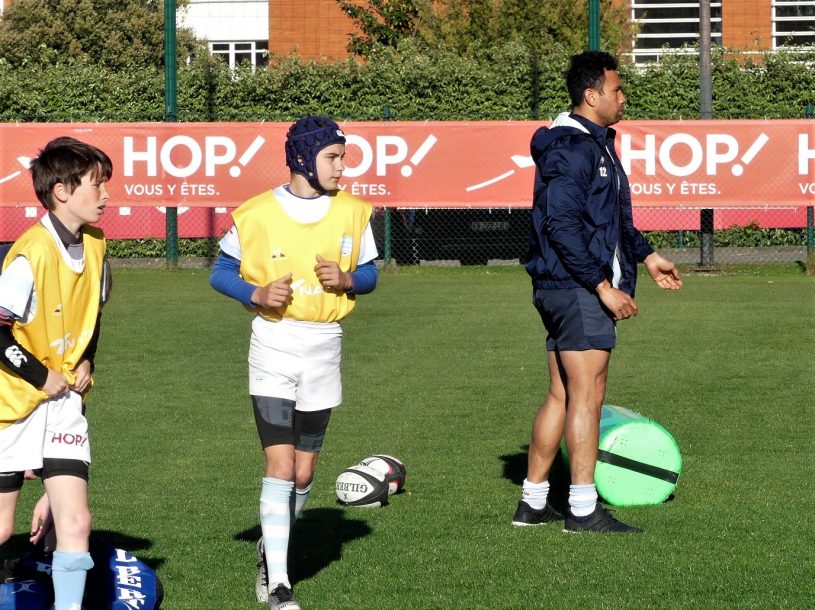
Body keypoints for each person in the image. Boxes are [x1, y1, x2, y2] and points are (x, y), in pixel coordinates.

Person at [210, 116, 378, 610]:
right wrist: (256, 292)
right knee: (279, 464)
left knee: (303, 475)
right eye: (333, 157)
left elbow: (370, 275)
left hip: (325, 345)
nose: (342, 168)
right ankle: (279, 583)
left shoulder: (353, 212)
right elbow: (220, 273)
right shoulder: (256, 213)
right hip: (274, 342)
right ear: (304, 157)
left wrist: (348, 280)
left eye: (343, 157)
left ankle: (272, 543)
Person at [514, 51, 682, 533]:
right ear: (592, 96)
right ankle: (583, 509)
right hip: (576, 288)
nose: (623, 97)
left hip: (565, 286)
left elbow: (612, 222)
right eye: (617, 89)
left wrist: (648, 257)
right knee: (587, 396)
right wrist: (602, 286)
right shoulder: (573, 147)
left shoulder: (595, 143)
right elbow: (561, 224)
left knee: (562, 394)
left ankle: (533, 502)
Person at [0, 136, 112, 607]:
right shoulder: (29, 255)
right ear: (62, 191)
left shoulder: (98, 245)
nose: (106, 195)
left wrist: (86, 360)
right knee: (3, 527)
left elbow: (92, 319)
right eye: (97, 184)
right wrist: (41, 377)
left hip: (63, 405)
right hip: (13, 404)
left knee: (75, 522)